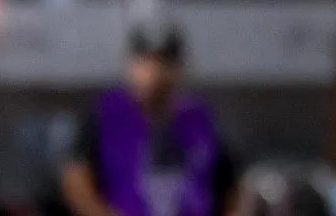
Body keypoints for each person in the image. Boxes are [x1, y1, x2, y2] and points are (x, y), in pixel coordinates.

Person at [61, 24, 239, 216]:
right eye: (145, 61)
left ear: (179, 68)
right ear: (131, 66)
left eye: (164, 62)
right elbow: (76, 178)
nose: (154, 72)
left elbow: (231, 184)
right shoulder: (106, 115)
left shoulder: (200, 120)